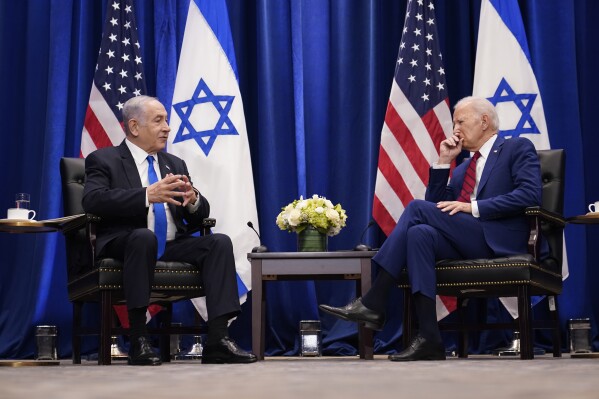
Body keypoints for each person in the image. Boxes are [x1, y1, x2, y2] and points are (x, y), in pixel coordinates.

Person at [320, 96, 545, 361]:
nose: (455, 129)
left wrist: (473, 207)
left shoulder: (517, 148)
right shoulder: (462, 169)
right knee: (419, 233)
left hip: (499, 239)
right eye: (454, 123)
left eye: (460, 121)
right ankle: (430, 337)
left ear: (484, 121)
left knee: (415, 209)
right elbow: (432, 209)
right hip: (468, 240)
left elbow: (530, 195)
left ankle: (374, 300)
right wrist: (443, 161)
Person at [82, 95, 257, 366]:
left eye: (166, 120)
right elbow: (93, 200)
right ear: (135, 126)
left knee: (219, 242)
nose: (167, 127)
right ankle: (139, 339)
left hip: (173, 243)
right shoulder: (104, 159)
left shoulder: (173, 164)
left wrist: (193, 200)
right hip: (127, 242)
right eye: (158, 120)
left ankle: (218, 340)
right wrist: (145, 195)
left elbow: (199, 216)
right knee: (143, 237)